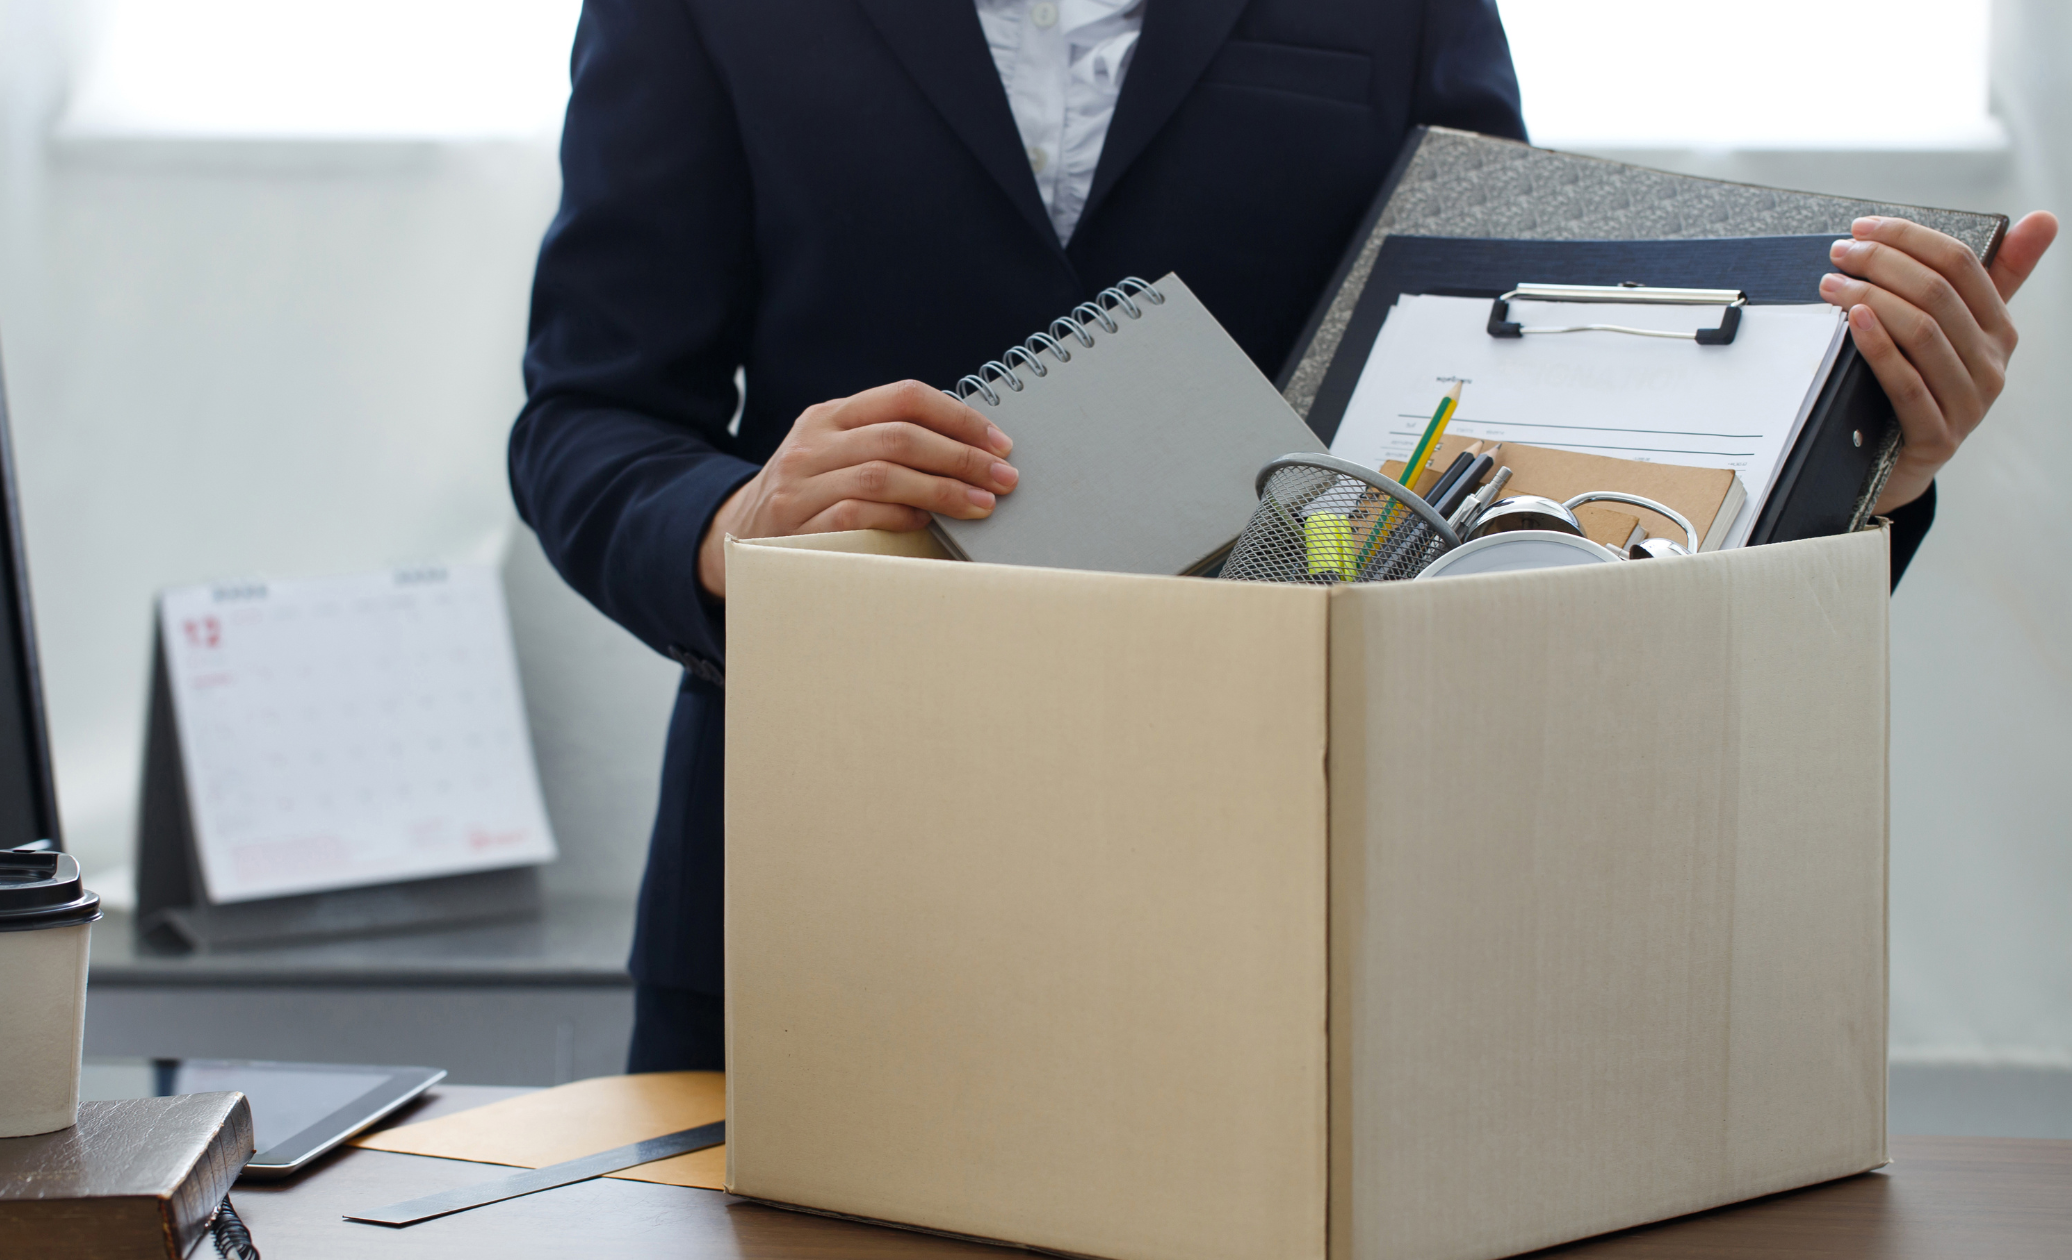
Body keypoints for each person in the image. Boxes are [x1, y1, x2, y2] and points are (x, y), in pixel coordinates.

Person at [508, 0, 2056, 1072]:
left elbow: (1506, 412)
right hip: (819, 871)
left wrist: (1868, 462)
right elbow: (585, 412)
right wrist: (727, 518)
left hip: (1282, 887)